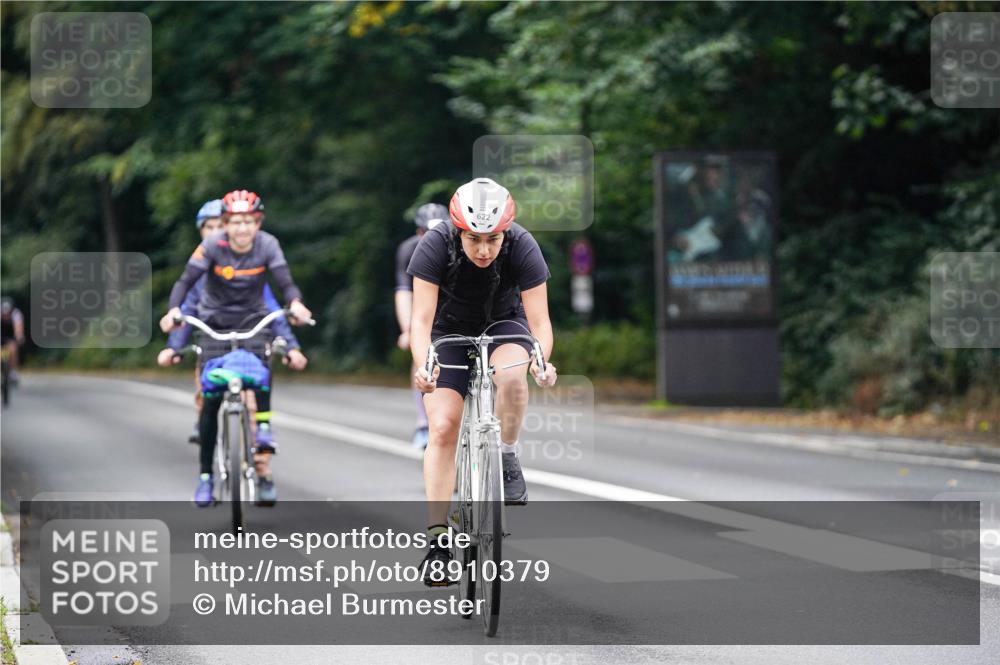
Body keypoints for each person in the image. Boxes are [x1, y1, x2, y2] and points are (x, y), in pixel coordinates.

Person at [406, 178, 558, 584]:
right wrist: (424, 365)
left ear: (505, 231)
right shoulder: (435, 244)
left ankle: (506, 455)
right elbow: (420, 321)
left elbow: (540, 323)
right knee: (441, 427)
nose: (484, 249)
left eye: (493, 239)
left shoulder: (523, 245)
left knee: (512, 380)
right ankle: (438, 542)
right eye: (474, 239)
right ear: (459, 230)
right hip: (448, 330)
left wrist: (541, 359)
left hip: (504, 323)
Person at [159, 190, 312, 507]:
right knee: (211, 403)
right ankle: (206, 478)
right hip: (214, 325)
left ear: (257, 223)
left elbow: (284, 284)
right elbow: (185, 286)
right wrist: (172, 315)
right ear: (225, 224)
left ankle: (264, 433)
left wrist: (296, 306)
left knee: (262, 371)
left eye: (248, 222)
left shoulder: (267, 245)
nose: (242, 229)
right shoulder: (212, 246)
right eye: (235, 222)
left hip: (253, 322)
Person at [394, 203, 449, 449]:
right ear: (419, 233)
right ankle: (423, 422)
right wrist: (408, 330)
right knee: (421, 357)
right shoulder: (408, 251)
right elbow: (404, 293)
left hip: (453, 307)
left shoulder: (461, 246)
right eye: (428, 234)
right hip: (424, 309)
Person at [1, 297, 26, 384]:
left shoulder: (16, 314)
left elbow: (18, 327)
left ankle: (13, 371)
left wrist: (19, 336)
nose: (6, 316)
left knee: (13, 349)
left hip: (10, 336)